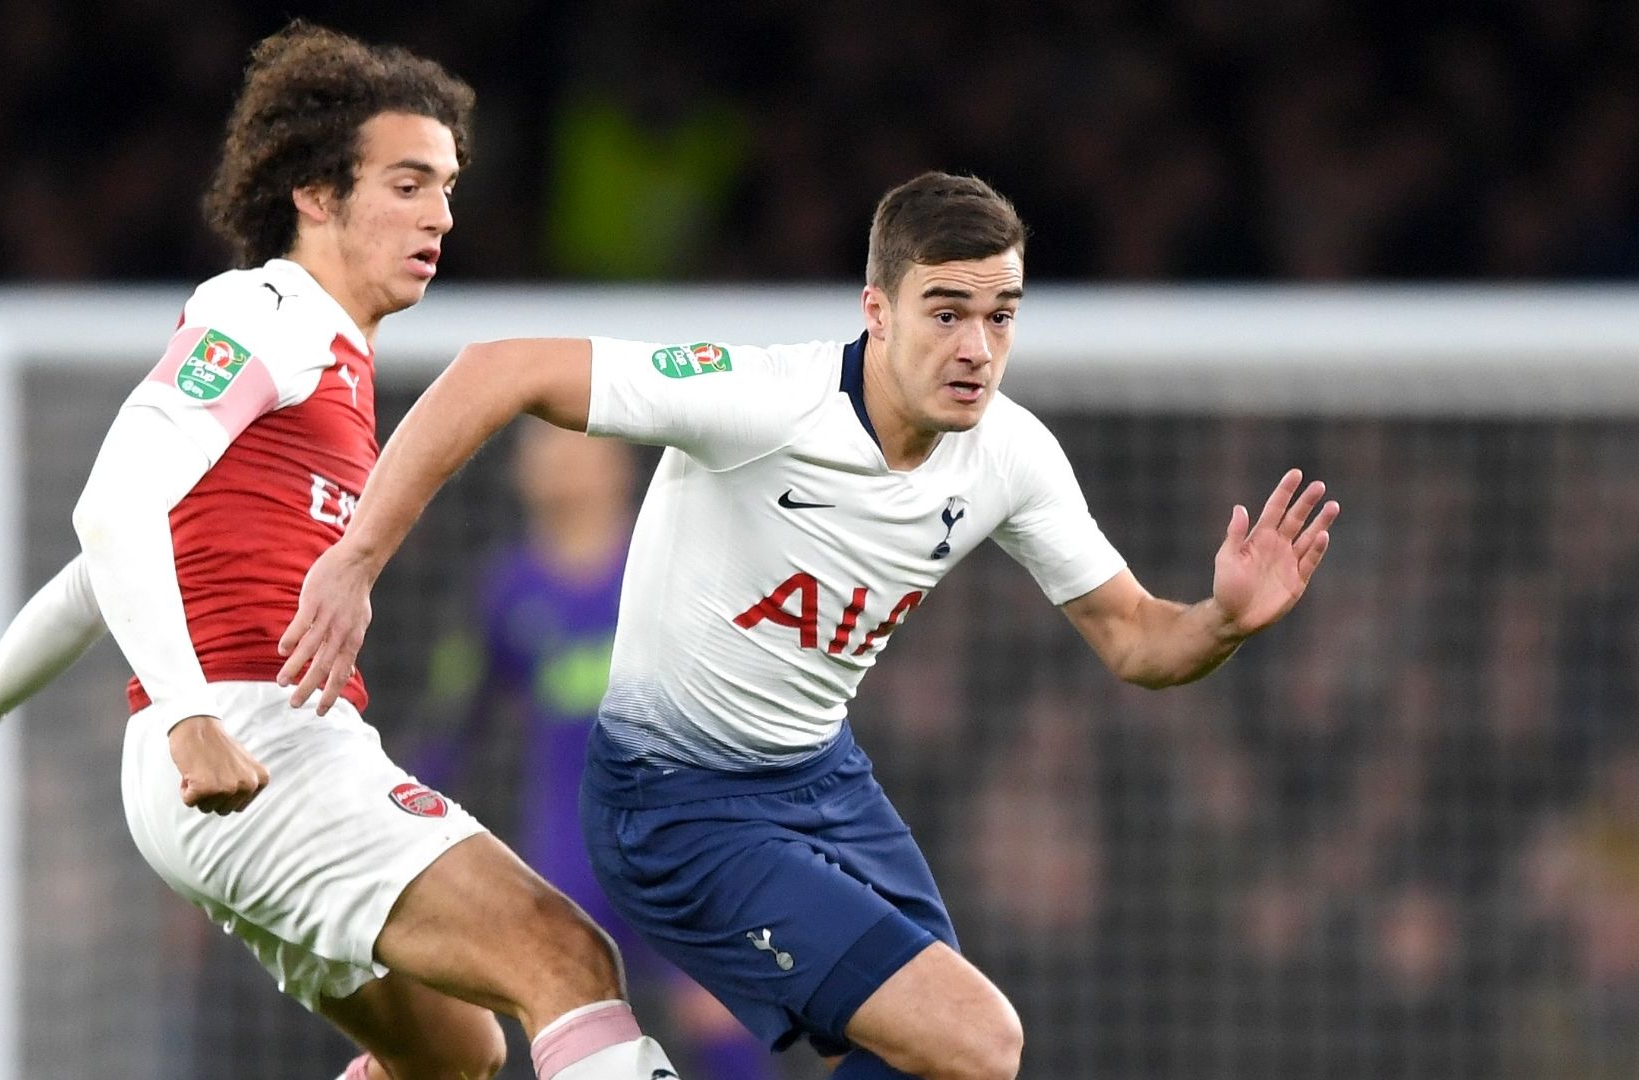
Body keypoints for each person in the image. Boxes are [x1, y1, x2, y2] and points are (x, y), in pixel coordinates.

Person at [277, 172, 1341, 1079]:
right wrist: (358, 559)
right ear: (876, 310)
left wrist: (1222, 621)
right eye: (947, 310)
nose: (977, 346)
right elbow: (496, 367)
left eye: (1002, 315)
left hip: (822, 783)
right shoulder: (761, 401)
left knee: (936, 1057)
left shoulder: (1010, 457)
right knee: (981, 1038)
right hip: (673, 803)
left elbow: (1135, 641)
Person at [0, 23, 681, 1080]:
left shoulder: (335, 370)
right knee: (565, 956)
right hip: (245, 741)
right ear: (316, 194)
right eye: (408, 183)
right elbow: (110, 505)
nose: (440, 216)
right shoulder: (266, 311)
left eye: (447, 188)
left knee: (455, 1054)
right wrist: (188, 719)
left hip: (242, 759)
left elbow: (113, 570)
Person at [424, 421, 776, 1078]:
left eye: (577, 448)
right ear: (519, 474)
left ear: (618, 466)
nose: (561, 464)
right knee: (580, 1030)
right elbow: (452, 729)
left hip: (683, 840)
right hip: (570, 855)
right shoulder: (506, 593)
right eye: (543, 451)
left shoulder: (678, 570)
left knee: (716, 1012)